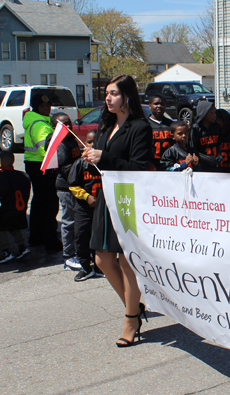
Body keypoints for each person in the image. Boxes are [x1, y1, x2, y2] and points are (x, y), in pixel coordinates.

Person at [82, 75, 152, 347]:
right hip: (105, 196)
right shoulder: (105, 124)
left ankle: (130, 319)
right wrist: (91, 158)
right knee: (101, 260)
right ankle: (134, 307)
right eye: (107, 94)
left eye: (113, 93)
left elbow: (139, 167)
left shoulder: (139, 127)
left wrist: (105, 157)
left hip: (127, 198)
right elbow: (101, 162)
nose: (108, 98)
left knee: (125, 261)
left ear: (126, 96)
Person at [23, 93, 62, 253]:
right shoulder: (41, 125)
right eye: (43, 106)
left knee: (39, 203)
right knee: (49, 205)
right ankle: (51, 242)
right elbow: (48, 151)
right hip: (43, 167)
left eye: (48, 106)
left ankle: (36, 237)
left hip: (34, 165)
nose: (47, 108)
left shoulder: (34, 120)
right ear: (36, 107)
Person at [68, 129, 103, 281]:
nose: (92, 144)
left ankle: (99, 266)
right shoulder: (79, 164)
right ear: (84, 144)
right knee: (81, 236)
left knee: (99, 238)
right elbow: (72, 185)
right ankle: (85, 266)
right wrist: (87, 196)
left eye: (96, 141)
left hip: (102, 208)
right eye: (89, 141)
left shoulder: (104, 163)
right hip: (83, 208)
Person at [52, 113, 82, 271]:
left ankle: (76, 252)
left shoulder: (71, 139)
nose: (67, 126)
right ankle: (68, 256)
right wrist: (81, 168)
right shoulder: (61, 144)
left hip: (75, 185)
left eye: (68, 122)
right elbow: (64, 167)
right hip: (67, 187)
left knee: (77, 221)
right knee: (69, 222)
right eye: (62, 124)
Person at [0, 151, 31, 263]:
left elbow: (2, 191)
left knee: (0, 228)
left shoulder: (2, 176)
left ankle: (5, 251)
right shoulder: (22, 175)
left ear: (0, 162)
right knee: (14, 227)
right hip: (20, 207)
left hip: (8, 207)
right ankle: (22, 247)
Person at [188, 101, 222, 172]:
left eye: (215, 112)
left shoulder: (216, 127)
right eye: (212, 113)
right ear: (204, 113)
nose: (215, 115)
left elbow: (219, 144)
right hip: (202, 166)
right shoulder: (195, 129)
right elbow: (193, 149)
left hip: (215, 166)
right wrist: (208, 159)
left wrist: (219, 156)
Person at [148, 93, 173, 171]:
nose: (159, 106)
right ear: (150, 106)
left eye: (162, 104)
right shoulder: (145, 125)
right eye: (156, 103)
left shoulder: (171, 125)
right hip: (151, 165)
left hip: (168, 165)